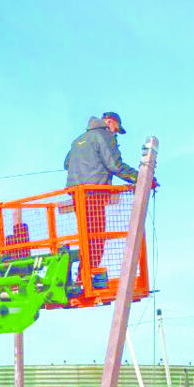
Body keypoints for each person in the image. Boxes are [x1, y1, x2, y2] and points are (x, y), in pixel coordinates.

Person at [64, 113, 138, 270]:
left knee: (86, 238)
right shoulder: (104, 135)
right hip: (94, 193)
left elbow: (66, 163)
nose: (115, 133)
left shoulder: (78, 140)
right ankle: (88, 276)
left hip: (77, 195)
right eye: (116, 130)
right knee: (97, 239)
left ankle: (83, 275)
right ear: (110, 122)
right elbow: (115, 165)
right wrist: (139, 177)